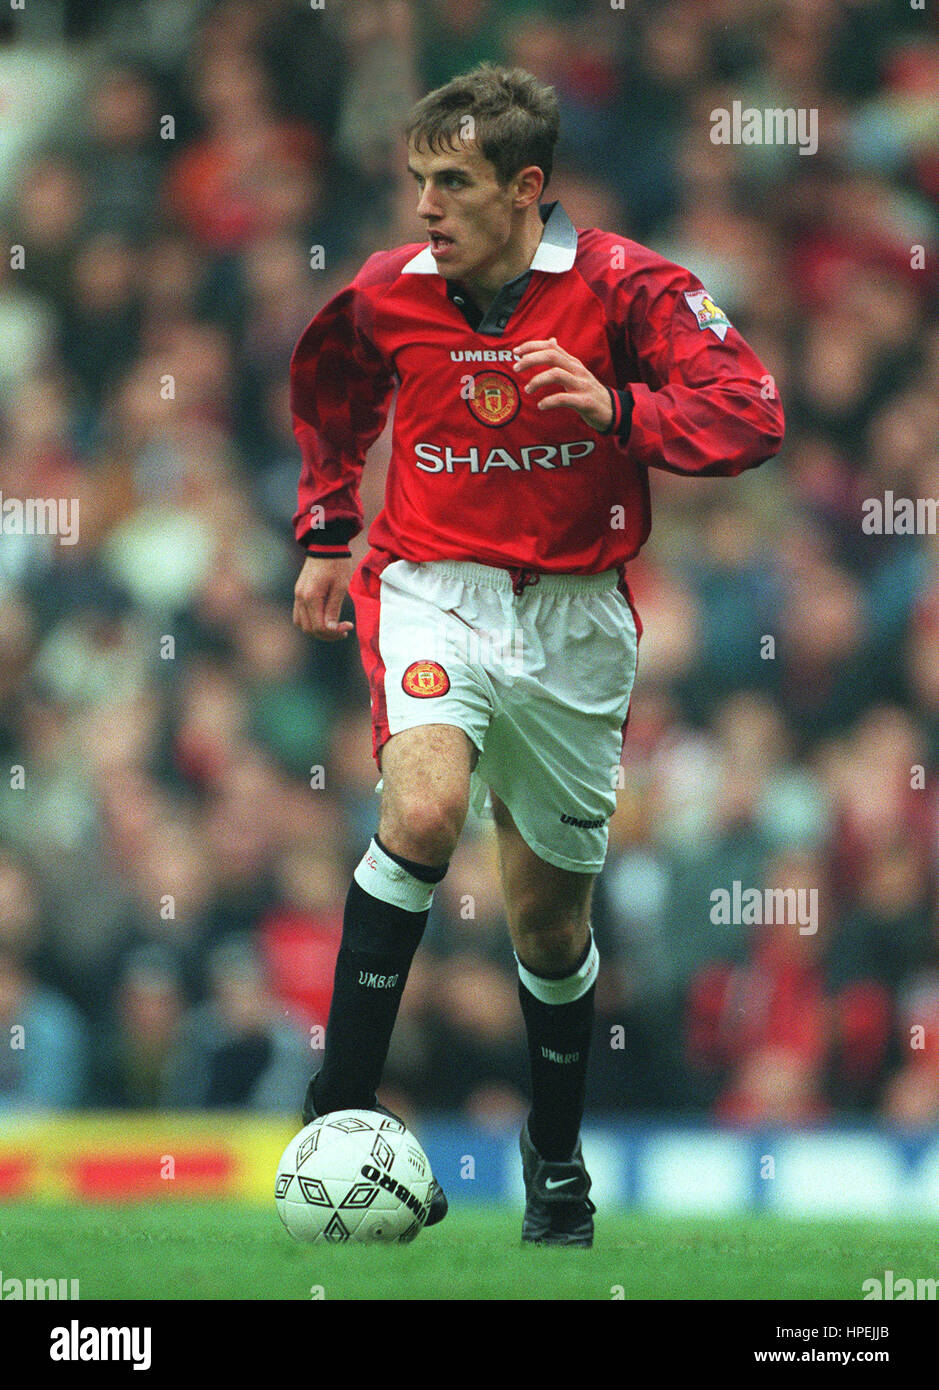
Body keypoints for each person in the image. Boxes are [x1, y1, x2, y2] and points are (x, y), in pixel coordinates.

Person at [290, 64, 784, 1245]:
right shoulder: (385, 291)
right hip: (429, 589)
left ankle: (554, 1156)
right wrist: (326, 528)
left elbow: (754, 410)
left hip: (576, 620)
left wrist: (623, 414)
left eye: (449, 183)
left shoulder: (629, 290)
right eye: (416, 181)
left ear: (525, 188)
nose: (424, 208)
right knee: (420, 817)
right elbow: (330, 384)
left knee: (551, 928)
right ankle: (338, 1114)